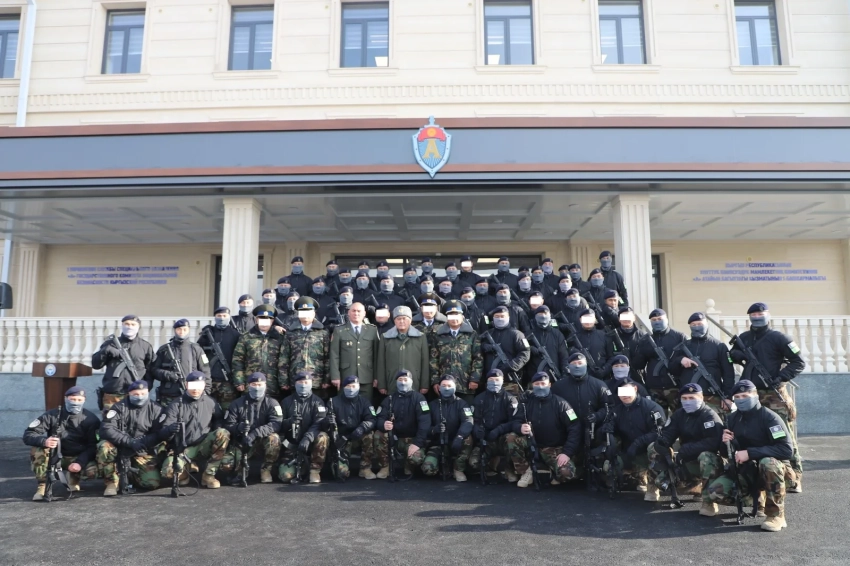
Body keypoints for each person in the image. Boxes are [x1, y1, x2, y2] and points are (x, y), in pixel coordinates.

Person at [729, 302, 805, 493]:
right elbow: (731, 356)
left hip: (773, 395)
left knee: (784, 434)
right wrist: (738, 354)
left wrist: (781, 377)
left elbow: (798, 362)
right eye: (753, 314)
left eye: (760, 313)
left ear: (768, 315)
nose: (757, 317)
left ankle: (795, 476)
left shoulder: (779, 338)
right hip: (749, 395)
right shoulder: (744, 338)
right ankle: (759, 474)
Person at [707, 380, 793, 531]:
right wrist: (725, 442)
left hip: (775, 470)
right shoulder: (732, 419)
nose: (741, 399)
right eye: (737, 397)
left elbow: (786, 450)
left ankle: (776, 515)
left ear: (755, 395)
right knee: (715, 493)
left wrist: (750, 453)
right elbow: (726, 453)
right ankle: (756, 499)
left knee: (768, 463)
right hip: (747, 470)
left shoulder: (770, 418)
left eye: (745, 396)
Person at [648, 383, 723, 514]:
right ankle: (693, 487)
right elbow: (669, 433)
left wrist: (688, 449)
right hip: (685, 460)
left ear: (701, 397)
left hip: (708, 463)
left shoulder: (709, 416)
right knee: (654, 451)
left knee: (706, 457)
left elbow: (713, 443)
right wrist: (663, 442)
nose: (688, 401)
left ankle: (709, 502)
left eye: (692, 398)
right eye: (685, 398)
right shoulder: (679, 414)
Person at [23, 386, 100, 501]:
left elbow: (93, 446)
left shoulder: (90, 419)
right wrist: (44, 441)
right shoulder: (51, 415)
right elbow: (28, 434)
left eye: (79, 400)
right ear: (65, 398)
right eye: (72, 399)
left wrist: (80, 462)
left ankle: (73, 477)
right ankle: (42, 485)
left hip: (77, 457)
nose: (75, 402)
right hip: (55, 456)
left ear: (84, 400)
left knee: (93, 471)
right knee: (38, 450)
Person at [506, 372, 581, 488]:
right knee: (511, 438)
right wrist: (519, 427)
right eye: (537, 384)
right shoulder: (526, 403)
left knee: (566, 474)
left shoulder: (562, 404)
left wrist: (567, 453)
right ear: (532, 385)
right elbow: (515, 421)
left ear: (549, 385)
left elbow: (575, 426)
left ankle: (553, 471)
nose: (540, 386)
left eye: (543, 384)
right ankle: (526, 471)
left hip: (554, 448)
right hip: (531, 444)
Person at [160, 371, 230, 489]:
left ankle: (209, 475)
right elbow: (163, 431)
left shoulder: (210, 402)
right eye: (192, 385)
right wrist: (170, 430)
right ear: (186, 385)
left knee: (223, 433)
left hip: (203, 444)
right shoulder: (176, 405)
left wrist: (216, 432)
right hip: (182, 448)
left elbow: (218, 419)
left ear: (204, 386)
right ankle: (184, 473)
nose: (196, 389)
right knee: (169, 472)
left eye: (199, 386)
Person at [96, 380, 166, 496]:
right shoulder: (118, 407)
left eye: (143, 393)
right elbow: (106, 429)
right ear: (129, 394)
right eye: (136, 394)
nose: (140, 397)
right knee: (104, 447)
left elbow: (159, 433)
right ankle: (111, 482)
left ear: (148, 392)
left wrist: (141, 443)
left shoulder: (157, 409)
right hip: (121, 447)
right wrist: (130, 442)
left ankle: (129, 475)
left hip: (142, 449)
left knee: (151, 483)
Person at [220, 372, 282, 484]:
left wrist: (255, 433)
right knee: (225, 465)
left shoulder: (272, 403)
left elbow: (276, 424)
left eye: (260, 385)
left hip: (262, 439)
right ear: (248, 386)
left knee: (274, 438)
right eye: (254, 385)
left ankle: (266, 469)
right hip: (242, 441)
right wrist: (238, 428)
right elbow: (228, 424)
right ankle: (241, 471)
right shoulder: (237, 403)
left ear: (265, 385)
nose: (257, 388)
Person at [670, 312, 735, 416]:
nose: (697, 327)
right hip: (688, 397)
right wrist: (680, 360)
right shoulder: (683, 346)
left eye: (700, 324)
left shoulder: (719, 346)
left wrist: (728, 396)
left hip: (712, 397)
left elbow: (728, 373)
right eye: (693, 325)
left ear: (707, 324)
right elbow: (671, 369)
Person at [611, 378, 665, 498]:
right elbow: (612, 430)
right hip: (630, 452)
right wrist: (606, 430)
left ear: (635, 389)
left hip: (648, 451)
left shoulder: (651, 408)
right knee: (609, 463)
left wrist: (638, 442)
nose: (625, 395)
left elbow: (659, 433)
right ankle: (637, 477)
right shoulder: (617, 411)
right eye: (621, 392)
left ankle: (653, 487)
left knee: (655, 448)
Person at [91, 314, 155, 413]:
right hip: (113, 394)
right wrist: (105, 350)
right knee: (110, 420)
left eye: (133, 324)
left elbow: (150, 369)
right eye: (126, 324)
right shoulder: (110, 344)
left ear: (138, 326)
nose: (129, 326)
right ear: (122, 325)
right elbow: (96, 365)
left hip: (136, 393)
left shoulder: (145, 346)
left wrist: (146, 387)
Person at [374, 371, 430, 479]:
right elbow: (379, 418)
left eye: (405, 380)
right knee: (378, 434)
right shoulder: (389, 399)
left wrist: (417, 443)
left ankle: (408, 465)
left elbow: (425, 423)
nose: (403, 383)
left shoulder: (419, 399)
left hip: (412, 440)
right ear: (396, 382)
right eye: (400, 380)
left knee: (416, 459)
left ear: (411, 381)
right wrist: (383, 424)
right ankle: (385, 467)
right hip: (394, 438)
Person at [631, 308, 687, 413]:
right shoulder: (646, 340)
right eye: (654, 320)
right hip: (654, 387)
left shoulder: (679, 337)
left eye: (660, 319)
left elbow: (686, 358)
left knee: (679, 416)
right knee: (658, 417)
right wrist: (644, 351)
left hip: (675, 386)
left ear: (667, 319)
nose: (657, 322)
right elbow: (638, 365)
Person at [278, 371, 329, 484]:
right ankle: (301, 468)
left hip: (311, 443)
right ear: (295, 384)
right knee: (285, 476)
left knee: (323, 436)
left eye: (306, 382)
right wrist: (289, 421)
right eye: (300, 382)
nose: (303, 385)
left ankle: (314, 470)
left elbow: (319, 423)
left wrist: (307, 438)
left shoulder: (318, 402)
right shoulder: (286, 402)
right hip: (291, 444)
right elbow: (278, 425)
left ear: (311, 383)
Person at [422, 375, 474, 481]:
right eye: (444, 385)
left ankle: (458, 469)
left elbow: (468, 421)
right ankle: (442, 467)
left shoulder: (462, 404)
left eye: (449, 386)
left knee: (468, 439)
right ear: (439, 387)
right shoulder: (431, 405)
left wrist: (460, 436)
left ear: (455, 387)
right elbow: (423, 425)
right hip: (438, 443)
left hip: (455, 441)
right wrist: (434, 430)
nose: (446, 388)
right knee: (428, 469)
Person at [470, 369, 520, 482]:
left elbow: (514, 421)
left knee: (512, 440)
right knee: (474, 462)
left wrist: (499, 430)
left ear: (502, 381)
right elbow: (475, 419)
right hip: (486, 438)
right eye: (491, 380)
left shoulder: (510, 399)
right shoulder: (479, 399)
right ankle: (491, 465)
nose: (494, 382)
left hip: (502, 438)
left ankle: (509, 469)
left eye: (497, 380)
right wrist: (477, 430)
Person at [430, 300, 483, 404]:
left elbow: (478, 358)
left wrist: (474, 379)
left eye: (457, 315)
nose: (454, 319)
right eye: (451, 316)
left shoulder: (471, 335)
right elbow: (433, 360)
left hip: (466, 383)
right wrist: (435, 381)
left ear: (462, 317)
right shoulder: (438, 335)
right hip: (445, 383)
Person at [150, 319, 211, 407]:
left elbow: (206, 371)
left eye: (184, 329)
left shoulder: (197, 349)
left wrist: (206, 391)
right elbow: (154, 370)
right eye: (179, 329)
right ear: (175, 330)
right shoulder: (164, 349)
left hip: (191, 394)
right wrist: (168, 375)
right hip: (169, 395)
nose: (182, 331)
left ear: (188, 330)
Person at [279, 297, 330, 400]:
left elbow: (328, 358)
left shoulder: (323, 333)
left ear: (314, 313)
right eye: (302, 311)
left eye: (308, 311)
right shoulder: (291, 333)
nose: (305, 314)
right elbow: (284, 358)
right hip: (296, 379)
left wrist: (326, 380)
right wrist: (283, 380)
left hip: (316, 380)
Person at [328, 375, 378, 479]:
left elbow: (372, 419)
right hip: (341, 440)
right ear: (343, 387)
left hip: (357, 436)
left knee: (369, 435)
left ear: (358, 387)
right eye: (348, 386)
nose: (351, 389)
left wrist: (362, 427)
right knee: (341, 474)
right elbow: (324, 422)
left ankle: (365, 468)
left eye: (354, 386)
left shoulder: (364, 402)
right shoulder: (333, 402)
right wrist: (327, 421)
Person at [231, 304, 284, 399]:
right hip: (252, 384)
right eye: (261, 319)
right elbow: (238, 360)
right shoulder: (246, 337)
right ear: (256, 320)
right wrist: (239, 380)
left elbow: (285, 360)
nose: (264, 322)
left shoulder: (280, 337)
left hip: (274, 385)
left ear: (272, 321)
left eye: (267, 319)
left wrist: (284, 381)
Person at [330, 302, 380, 399]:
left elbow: (377, 355)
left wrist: (376, 377)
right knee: (345, 404)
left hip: (366, 376)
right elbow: (334, 354)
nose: (356, 313)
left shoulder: (372, 330)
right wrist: (335, 376)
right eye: (353, 311)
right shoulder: (339, 330)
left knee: (366, 404)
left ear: (364, 313)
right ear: (348, 313)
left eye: (359, 311)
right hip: (346, 376)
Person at [197, 306, 242, 410]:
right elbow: (199, 351)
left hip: (228, 381)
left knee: (228, 410)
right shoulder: (208, 333)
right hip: (210, 380)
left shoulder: (235, 334)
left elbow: (240, 357)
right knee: (208, 409)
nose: (221, 318)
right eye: (219, 316)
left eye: (224, 316)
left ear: (229, 317)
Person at [552, 352, 613, 428]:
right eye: (574, 363)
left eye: (580, 363)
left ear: (586, 365)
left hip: (593, 429)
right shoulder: (558, 387)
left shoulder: (599, 385)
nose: (577, 366)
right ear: (569, 366)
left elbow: (609, 407)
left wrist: (597, 416)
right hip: (567, 430)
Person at [377, 310, 430, 396]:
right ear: (394, 321)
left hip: (414, 381)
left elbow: (425, 362)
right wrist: (382, 385)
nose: (401, 321)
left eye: (404, 318)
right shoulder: (385, 337)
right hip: (392, 381)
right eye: (398, 319)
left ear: (410, 320)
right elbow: (381, 362)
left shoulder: (420, 337)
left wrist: (424, 384)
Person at [480, 305, 531, 393]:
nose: (500, 319)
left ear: (508, 317)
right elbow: (477, 347)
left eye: (502, 316)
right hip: (490, 380)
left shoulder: (517, 334)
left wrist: (511, 366)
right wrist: (485, 346)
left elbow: (525, 353)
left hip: (509, 380)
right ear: (493, 318)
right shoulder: (488, 334)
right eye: (497, 316)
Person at [526, 305, 570, 383]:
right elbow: (522, 350)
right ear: (535, 317)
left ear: (550, 316)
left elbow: (563, 355)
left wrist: (564, 373)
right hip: (533, 379)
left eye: (545, 314)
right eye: (540, 314)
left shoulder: (557, 334)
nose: (543, 316)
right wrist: (531, 349)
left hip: (553, 378)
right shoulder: (529, 334)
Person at [567, 309, 609, 380]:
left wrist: (604, 370)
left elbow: (611, 356)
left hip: (601, 377)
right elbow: (567, 354)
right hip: (580, 376)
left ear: (595, 320)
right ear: (580, 320)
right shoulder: (574, 336)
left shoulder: (604, 335)